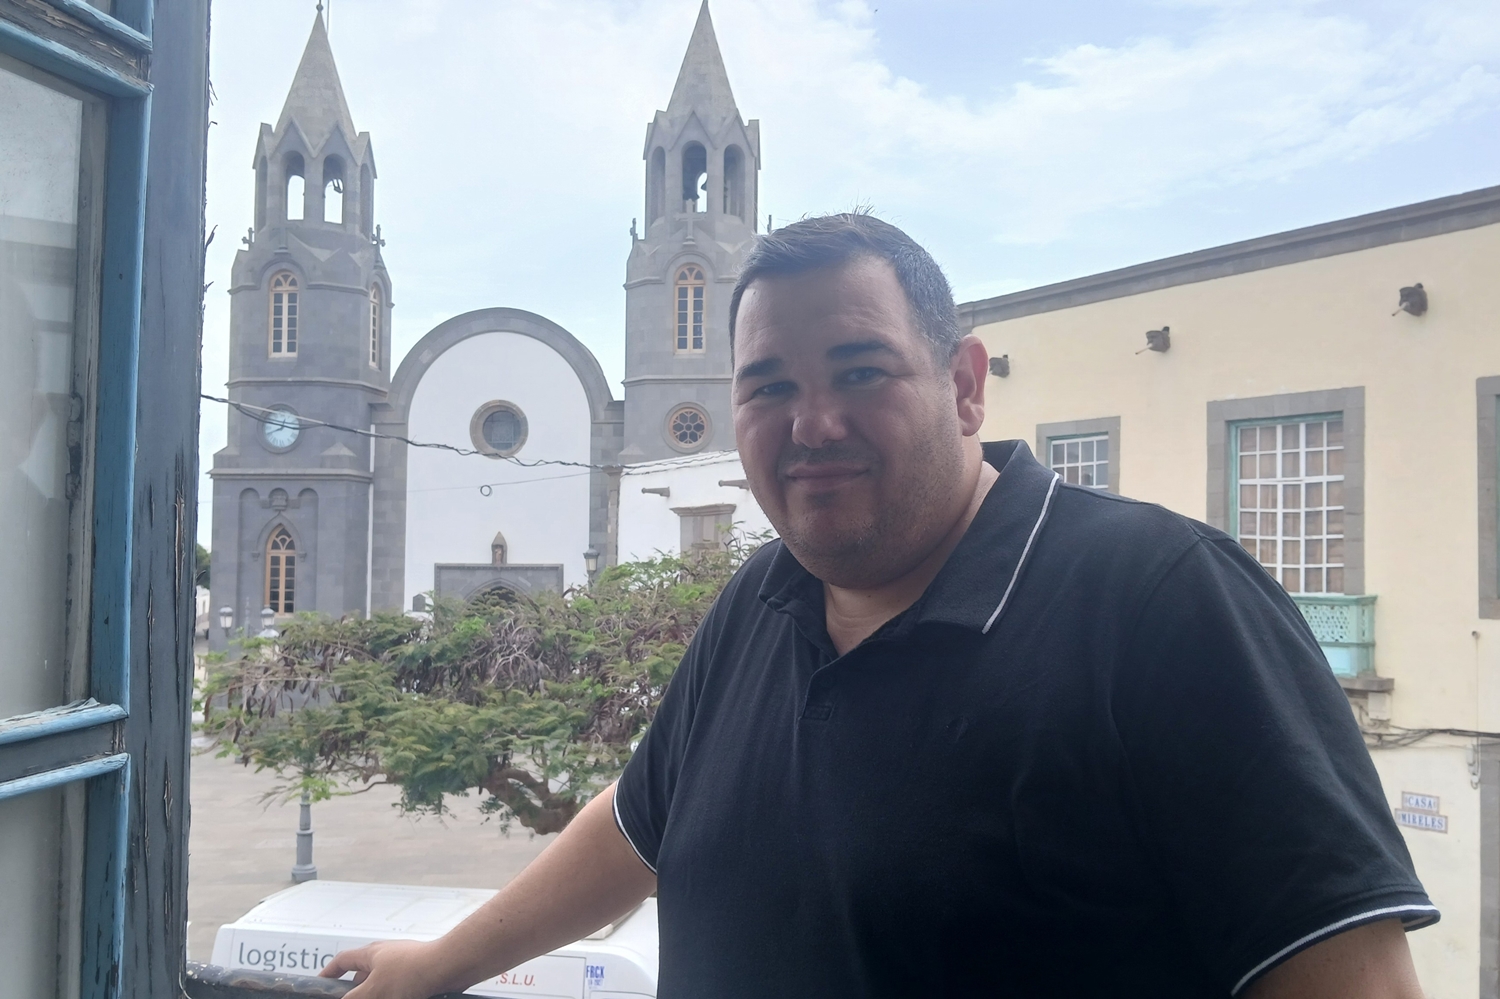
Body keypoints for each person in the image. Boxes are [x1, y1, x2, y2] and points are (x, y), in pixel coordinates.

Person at [323, 214, 1434, 998]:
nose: (811, 424)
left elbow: (1356, 979)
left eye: (860, 371)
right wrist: (440, 966)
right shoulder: (761, 598)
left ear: (964, 384)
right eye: (769, 386)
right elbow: (640, 821)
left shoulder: (1164, 603)